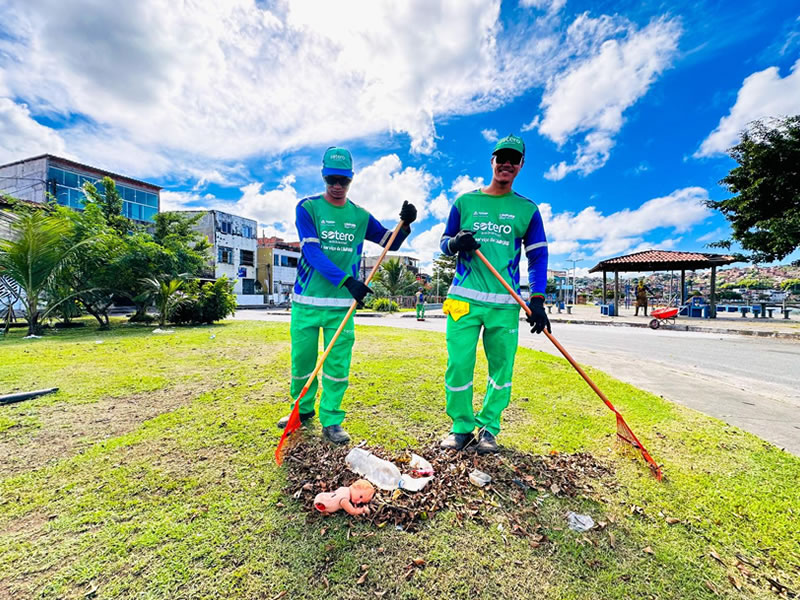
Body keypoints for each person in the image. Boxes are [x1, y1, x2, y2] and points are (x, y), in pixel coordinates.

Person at [277, 147, 417, 443]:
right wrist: (347, 280)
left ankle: (332, 418)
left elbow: (389, 243)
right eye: (332, 179)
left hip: (342, 307)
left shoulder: (359, 215)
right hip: (306, 302)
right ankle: (300, 411)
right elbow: (311, 252)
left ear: (351, 179)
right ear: (323, 176)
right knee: (302, 362)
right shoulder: (307, 207)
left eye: (343, 180)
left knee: (337, 365)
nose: (337, 186)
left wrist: (405, 225)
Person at [438, 134, 550, 454]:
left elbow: (538, 257)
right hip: (463, 299)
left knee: (501, 368)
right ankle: (460, 427)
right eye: (501, 157)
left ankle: (488, 428)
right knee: (459, 364)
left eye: (513, 159)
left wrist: (537, 300)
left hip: (505, 304)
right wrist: (456, 243)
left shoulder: (527, 210)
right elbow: (444, 244)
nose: (506, 163)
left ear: (521, 166)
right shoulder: (465, 202)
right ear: (492, 160)